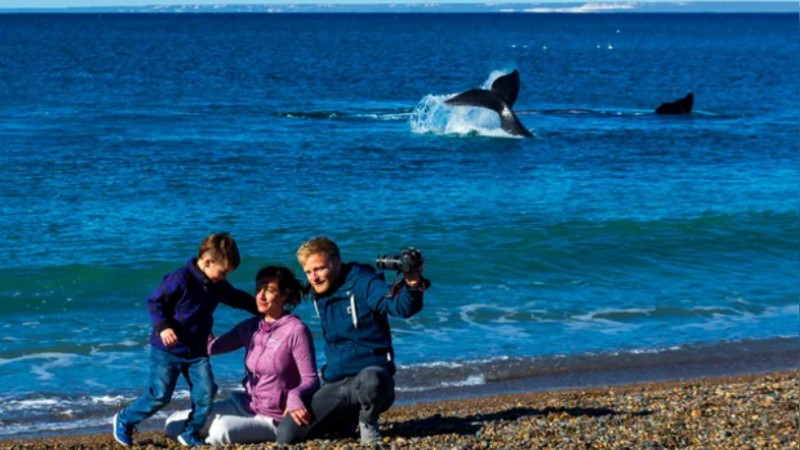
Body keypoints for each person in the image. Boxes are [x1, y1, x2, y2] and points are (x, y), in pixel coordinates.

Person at [112, 232, 259, 447]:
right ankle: (125, 419)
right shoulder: (179, 278)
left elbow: (236, 298)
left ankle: (189, 431)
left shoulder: (216, 285)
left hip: (197, 352)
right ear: (207, 262)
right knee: (160, 395)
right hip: (166, 349)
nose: (225, 276)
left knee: (206, 392)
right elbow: (155, 303)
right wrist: (163, 327)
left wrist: (263, 309)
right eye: (223, 271)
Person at [280, 237, 426, 445]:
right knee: (287, 435)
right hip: (337, 384)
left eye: (319, 269)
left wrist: (412, 283)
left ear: (337, 262)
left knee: (371, 379)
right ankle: (344, 419)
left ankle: (368, 421)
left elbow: (401, 307)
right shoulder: (319, 291)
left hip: (373, 380)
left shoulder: (365, 283)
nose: (314, 277)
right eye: (308, 272)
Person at [164, 265, 319, 445]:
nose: (260, 296)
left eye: (268, 290)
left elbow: (311, 379)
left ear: (285, 294)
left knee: (220, 431)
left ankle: (210, 436)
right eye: (258, 289)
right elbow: (211, 347)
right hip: (244, 404)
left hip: (273, 417)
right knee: (173, 424)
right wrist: (199, 313)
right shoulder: (251, 327)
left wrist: (295, 396)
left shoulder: (296, 330)